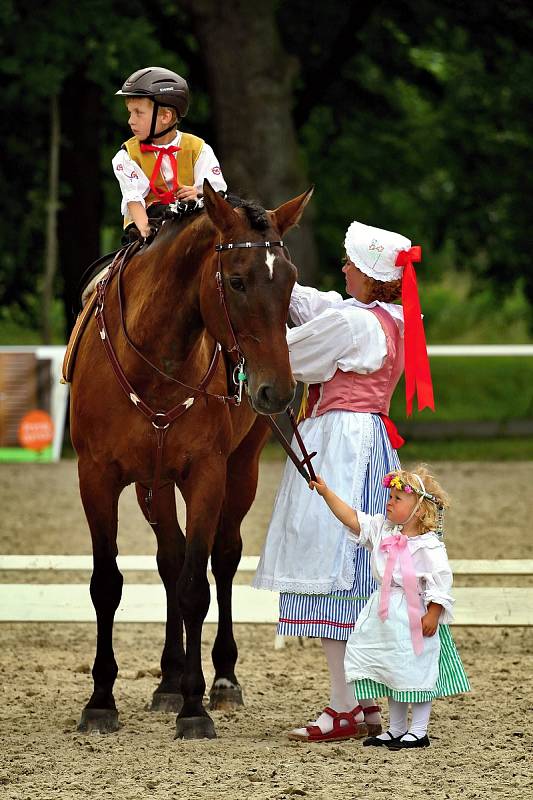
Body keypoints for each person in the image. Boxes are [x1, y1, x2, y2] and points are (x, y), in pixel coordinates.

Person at [253, 220, 435, 742]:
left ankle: (343, 706)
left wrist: (256, 326)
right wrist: (277, 267)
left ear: (372, 276)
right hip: (370, 438)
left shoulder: (355, 327)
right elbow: (323, 305)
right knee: (360, 571)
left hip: (341, 443)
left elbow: (295, 353)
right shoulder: (393, 316)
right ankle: (366, 702)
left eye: (353, 263)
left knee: (332, 566)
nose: (345, 267)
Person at [309, 465, 470, 749]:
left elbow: (440, 581)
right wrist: (326, 493)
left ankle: (419, 730)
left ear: (418, 510)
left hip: (414, 615)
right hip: (386, 614)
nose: (389, 502)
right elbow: (351, 518)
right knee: (392, 669)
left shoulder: (428, 546)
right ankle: (396, 728)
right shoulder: (383, 530)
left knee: (417, 669)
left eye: (398, 498)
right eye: (390, 497)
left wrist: (433, 612)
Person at [112, 66, 227, 239]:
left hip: (191, 226)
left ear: (166, 116)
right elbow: (133, 199)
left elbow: (216, 192)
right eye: (130, 113)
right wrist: (147, 231)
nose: (130, 121)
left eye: (138, 113)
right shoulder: (127, 155)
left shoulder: (198, 149)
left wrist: (198, 194)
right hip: (146, 228)